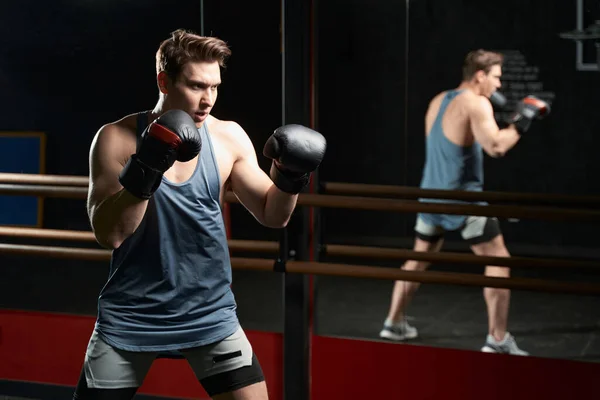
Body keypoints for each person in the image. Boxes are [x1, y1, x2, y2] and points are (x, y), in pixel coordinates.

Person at [73, 29, 326, 400]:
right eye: (195, 86)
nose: (207, 100)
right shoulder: (117, 138)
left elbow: (273, 214)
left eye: (215, 87)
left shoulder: (228, 137)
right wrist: (148, 164)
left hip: (210, 313)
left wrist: (290, 177)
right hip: (131, 314)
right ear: (164, 81)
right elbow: (109, 234)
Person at [379, 49, 550, 355]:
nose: (498, 85)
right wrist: (522, 121)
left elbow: (450, 147)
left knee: (417, 259)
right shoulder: (477, 102)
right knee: (499, 261)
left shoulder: (439, 99)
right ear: (480, 75)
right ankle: (498, 340)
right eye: (496, 77)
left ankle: (393, 322)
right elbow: (496, 147)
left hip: (431, 197)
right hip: (463, 200)